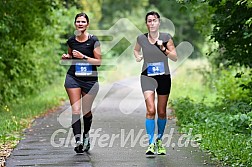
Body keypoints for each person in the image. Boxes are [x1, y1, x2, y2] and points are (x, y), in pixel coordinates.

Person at [133, 11, 177, 156]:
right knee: (151, 110)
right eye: (149, 21)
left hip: (163, 77)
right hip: (147, 77)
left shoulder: (166, 38)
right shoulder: (141, 38)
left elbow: (175, 57)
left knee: (162, 111)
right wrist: (138, 56)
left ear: (159, 23)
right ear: (146, 24)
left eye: (154, 20)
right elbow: (135, 49)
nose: (152, 23)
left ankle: (159, 140)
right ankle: (151, 143)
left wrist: (163, 48)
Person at [61, 12, 101, 153]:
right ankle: (78, 141)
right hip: (73, 77)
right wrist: (67, 58)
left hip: (90, 80)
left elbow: (99, 61)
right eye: (78, 21)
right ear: (75, 24)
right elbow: (72, 57)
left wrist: (83, 56)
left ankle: (86, 135)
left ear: (87, 24)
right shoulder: (71, 41)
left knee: (86, 111)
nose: (80, 24)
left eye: (83, 22)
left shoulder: (94, 40)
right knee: (76, 110)